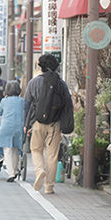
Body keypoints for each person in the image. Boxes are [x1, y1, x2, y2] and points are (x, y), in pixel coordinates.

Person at [24, 53, 73, 194]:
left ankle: (40, 170)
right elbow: (68, 104)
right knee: (52, 155)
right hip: (55, 124)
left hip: (37, 122)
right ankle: (49, 187)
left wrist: (26, 123)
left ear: (41, 67)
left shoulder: (33, 82)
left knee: (36, 150)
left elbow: (26, 105)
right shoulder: (61, 83)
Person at [0, 80, 25, 182]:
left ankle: (11, 174)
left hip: (6, 127)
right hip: (18, 127)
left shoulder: (4, 101)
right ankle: (14, 171)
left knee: (8, 150)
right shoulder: (22, 101)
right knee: (15, 150)